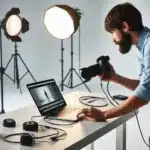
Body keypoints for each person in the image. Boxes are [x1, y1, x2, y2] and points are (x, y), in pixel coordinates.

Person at [77, 2, 150, 121]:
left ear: (125, 26)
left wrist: (104, 114)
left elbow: (143, 96)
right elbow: (144, 87)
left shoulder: (149, 46)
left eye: (113, 32)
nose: (113, 39)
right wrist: (114, 77)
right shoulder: (143, 46)